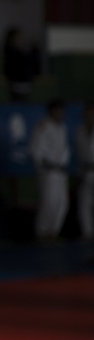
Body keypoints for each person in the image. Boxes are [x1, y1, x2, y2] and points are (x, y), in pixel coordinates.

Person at [30, 100, 70, 239]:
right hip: (48, 171)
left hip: (61, 171)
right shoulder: (44, 126)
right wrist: (43, 166)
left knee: (62, 204)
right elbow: (35, 150)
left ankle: (54, 232)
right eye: (58, 110)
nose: (61, 114)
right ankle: (42, 232)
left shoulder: (62, 127)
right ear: (51, 111)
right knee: (49, 203)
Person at [3, 27, 40, 102]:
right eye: (18, 38)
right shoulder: (11, 52)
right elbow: (26, 60)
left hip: (25, 85)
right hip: (17, 85)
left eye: (21, 38)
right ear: (11, 39)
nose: (21, 40)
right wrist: (35, 48)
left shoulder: (19, 52)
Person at [76, 101, 94, 240]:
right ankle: (87, 234)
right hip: (86, 170)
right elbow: (79, 155)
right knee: (84, 205)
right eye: (87, 112)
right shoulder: (80, 132)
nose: (89, 115)